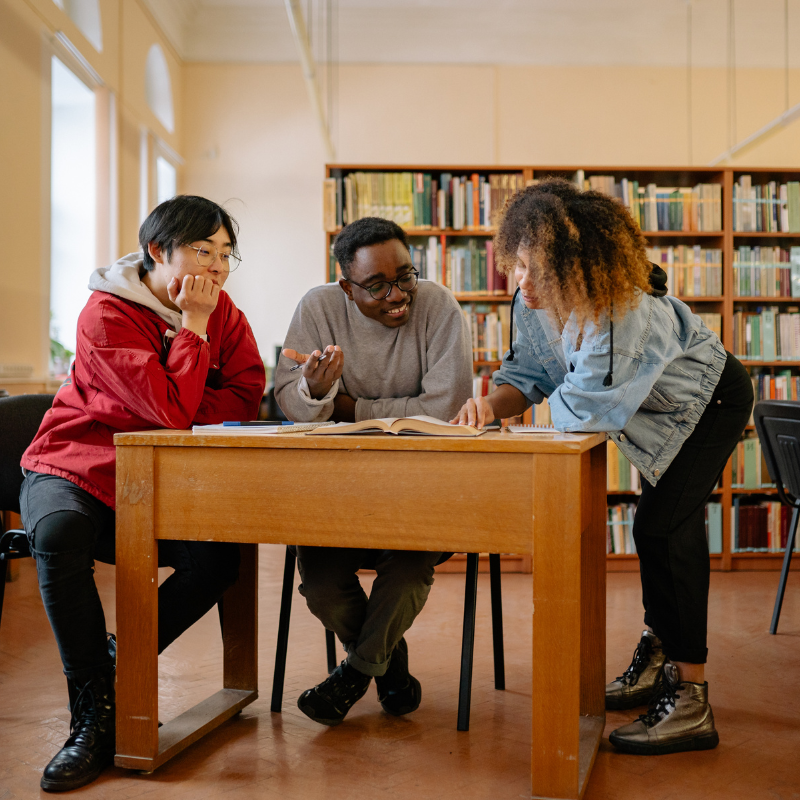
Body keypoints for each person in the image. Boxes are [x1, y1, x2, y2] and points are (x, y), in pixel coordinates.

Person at [452, 179, 753, 755]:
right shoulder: (537, 300)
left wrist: (517, 426)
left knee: (667, 529)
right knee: (652, 530)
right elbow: (530, 375)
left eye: (537, 270)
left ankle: (690, 699)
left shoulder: (624, 312)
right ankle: (659, 653)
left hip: (708, 403)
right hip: (652, 410)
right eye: (517, 265)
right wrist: (491, 406)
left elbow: (582, 411)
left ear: (579, 267)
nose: (522, 283)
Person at [20, 195, 266, 791]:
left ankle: (113, 663)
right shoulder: (105, 313)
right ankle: (93, 714)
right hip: (74, 465)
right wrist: (196, 332)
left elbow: (245, 391)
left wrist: (183, 402)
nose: (215, 268)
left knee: (216, 562)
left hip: (159, 476)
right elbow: (167, 408)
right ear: (158, 252)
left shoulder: (223, 309)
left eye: (225, 255)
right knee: (59, 533)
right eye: (202, 252)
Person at [274, 216, 472, 726]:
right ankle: (390, 669)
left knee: (407, 573)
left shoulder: (439, 305)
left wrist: (347, 407)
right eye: (377, 286)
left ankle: (355, 674)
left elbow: (447, 404)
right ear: (346, 286)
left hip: (422, 491)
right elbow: (289, 403)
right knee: (318, 583)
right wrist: (316, 393)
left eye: (405, 276)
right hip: (337, 493)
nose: (397, 295)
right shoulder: (317, 308)